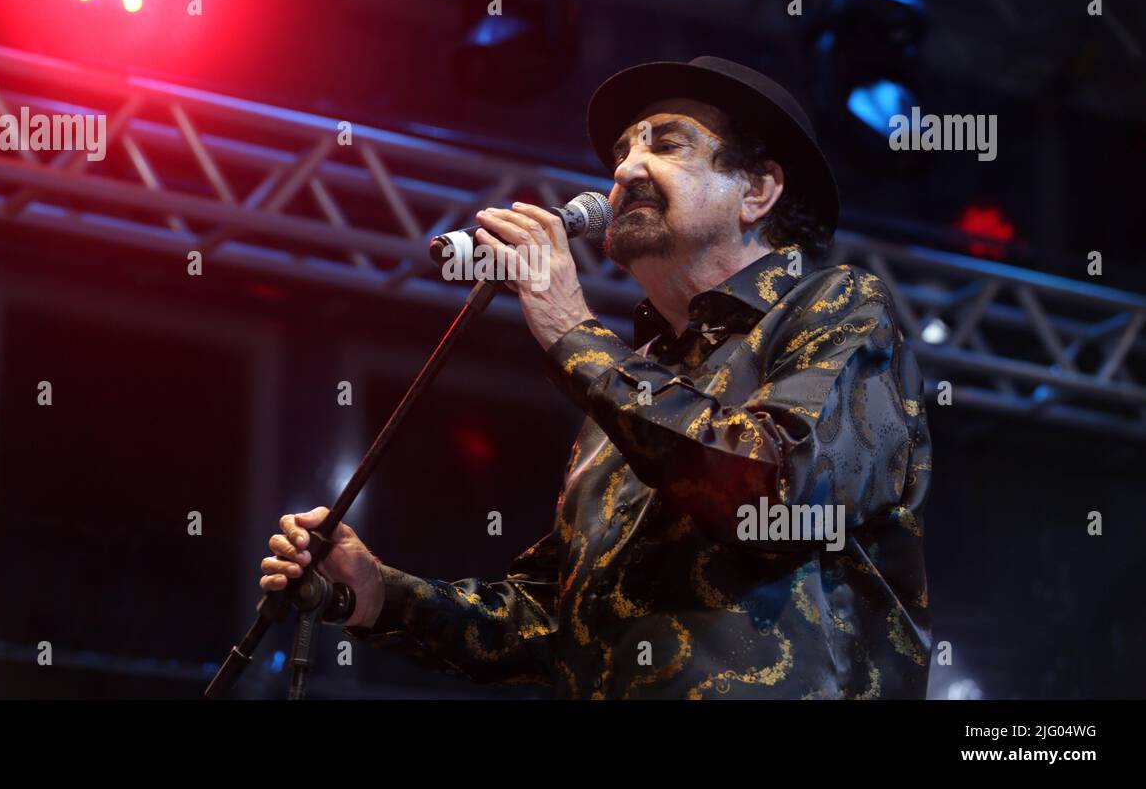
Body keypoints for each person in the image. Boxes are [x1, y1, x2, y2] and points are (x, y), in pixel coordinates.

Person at [261, 56, 932, 698]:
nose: (628, 167)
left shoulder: (838, 306)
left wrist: (569, 329)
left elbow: (775, 494)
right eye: (621, 151)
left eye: (667, 145)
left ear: (756, 190)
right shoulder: (625, 398)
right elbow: (557, 625)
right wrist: (379, 595)